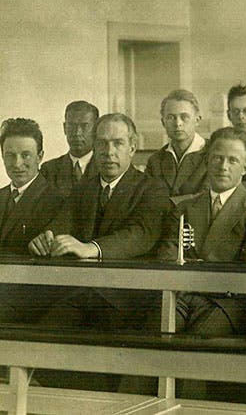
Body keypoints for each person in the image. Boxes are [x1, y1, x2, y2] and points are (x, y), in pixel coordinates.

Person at [27, 113, 170, 392]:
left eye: (117, 143)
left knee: (87, 350)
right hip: (86, 292)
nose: (109, 152)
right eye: (102, 143)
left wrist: (90, 248)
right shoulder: (86, 188)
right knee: (44, 335)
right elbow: (60, 225)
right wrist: (45, 239)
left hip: (129, 297)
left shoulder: (151, 188)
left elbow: (140, 235)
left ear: (133, 146)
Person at [160, 126, 246, 335]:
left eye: (233, 160)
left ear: (245, 168)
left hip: (229, 302)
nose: (223, 166)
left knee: (199, 340)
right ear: (206, 162)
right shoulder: (185, 207)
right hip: (183, 296)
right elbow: (168, 254)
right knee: (159, 331)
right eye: (217, 158)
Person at [0, 118, 62, 324]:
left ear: (40, 157)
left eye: (25, 155)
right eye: (10, 155)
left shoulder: (57, 201)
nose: (17, 164)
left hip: (29, 298)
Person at [146, 89, 208, 197]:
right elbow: (149, 200)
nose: (178, 123)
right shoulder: (155, 161)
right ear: (163, 122)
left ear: (197, 120)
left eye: (184, 117)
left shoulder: (212, 154)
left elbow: (205, 199)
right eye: (171, 117)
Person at [40, 101, 99, 198]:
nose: (77, 133)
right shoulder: (49, 170)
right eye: (71, 126)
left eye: (84, 126)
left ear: (96, 129)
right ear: (64, 128)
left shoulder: (106, 167)